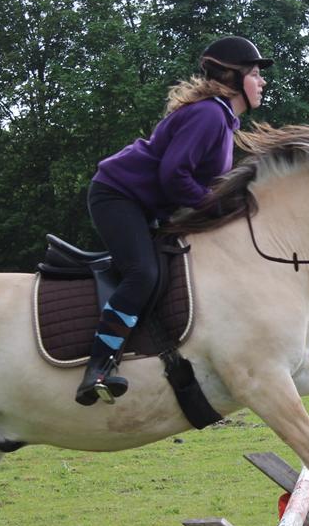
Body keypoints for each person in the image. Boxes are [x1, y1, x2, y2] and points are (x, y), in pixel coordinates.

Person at [76, 36, 272, 406]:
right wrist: (214, 206)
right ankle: (98, 367)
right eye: (255, 73)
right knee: (143, 274)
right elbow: (174, 176)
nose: (262, 81)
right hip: (117, 195)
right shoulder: (209, 115)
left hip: (143, 204)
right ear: (233, 77)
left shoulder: (222, 120)